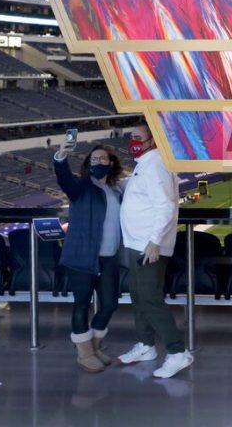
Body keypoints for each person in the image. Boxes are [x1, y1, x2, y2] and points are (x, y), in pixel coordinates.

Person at [115, 122, 192, 378]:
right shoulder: (145, 163)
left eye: (137, 137)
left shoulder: (156, 162)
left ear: (153, 140)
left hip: (149, 246)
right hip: (138, 243)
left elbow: (166, 206)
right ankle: (146, 345)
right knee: (137, 294)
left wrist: (155, 240)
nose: (132, 141)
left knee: (149, 297)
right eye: (131, 136)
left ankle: (177, 351)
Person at [54, 142, 124, 373]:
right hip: (83, 256)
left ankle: (94, 347)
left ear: (111, 163)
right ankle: (84, 354)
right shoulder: (81, 187)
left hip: (109, 257)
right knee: (82, 304)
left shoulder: (116, 190)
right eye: (93, 160)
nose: (98, 162)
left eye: (102, 158)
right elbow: (65, 180)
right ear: (88, 165)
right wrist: (62, 156)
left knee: (110, 304)